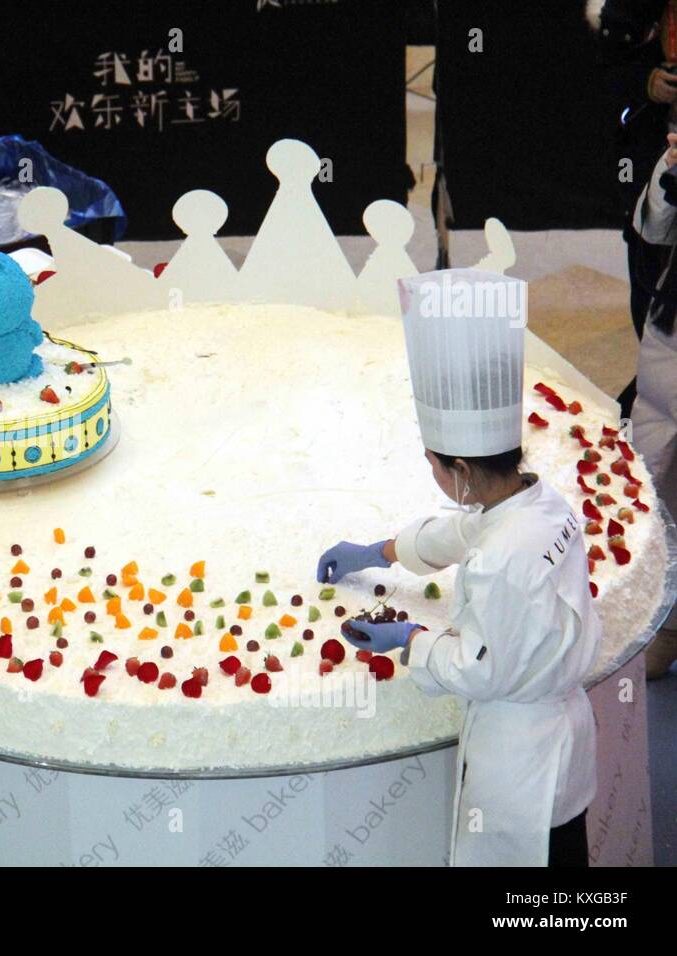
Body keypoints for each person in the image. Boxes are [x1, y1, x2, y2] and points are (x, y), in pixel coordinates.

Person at [316, 269, 600, 867]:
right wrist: (382, 551)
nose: (434, 473)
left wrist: (411, 639)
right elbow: (465, 529)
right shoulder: (539, 501)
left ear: (461, 471)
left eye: (435, 464)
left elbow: (481, 669)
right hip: (566, 740)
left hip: (520, 760)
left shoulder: (501, 562)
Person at [590, 0, 677, 417]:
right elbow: (597, 76)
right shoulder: (630, 12)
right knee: (652, 296)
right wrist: (645, 83)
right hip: (650, 167)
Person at [625, 132, 677, 678]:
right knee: (654, 484)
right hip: (667, 341)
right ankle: (661, 621)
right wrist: (668, 167)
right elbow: (651, 228)